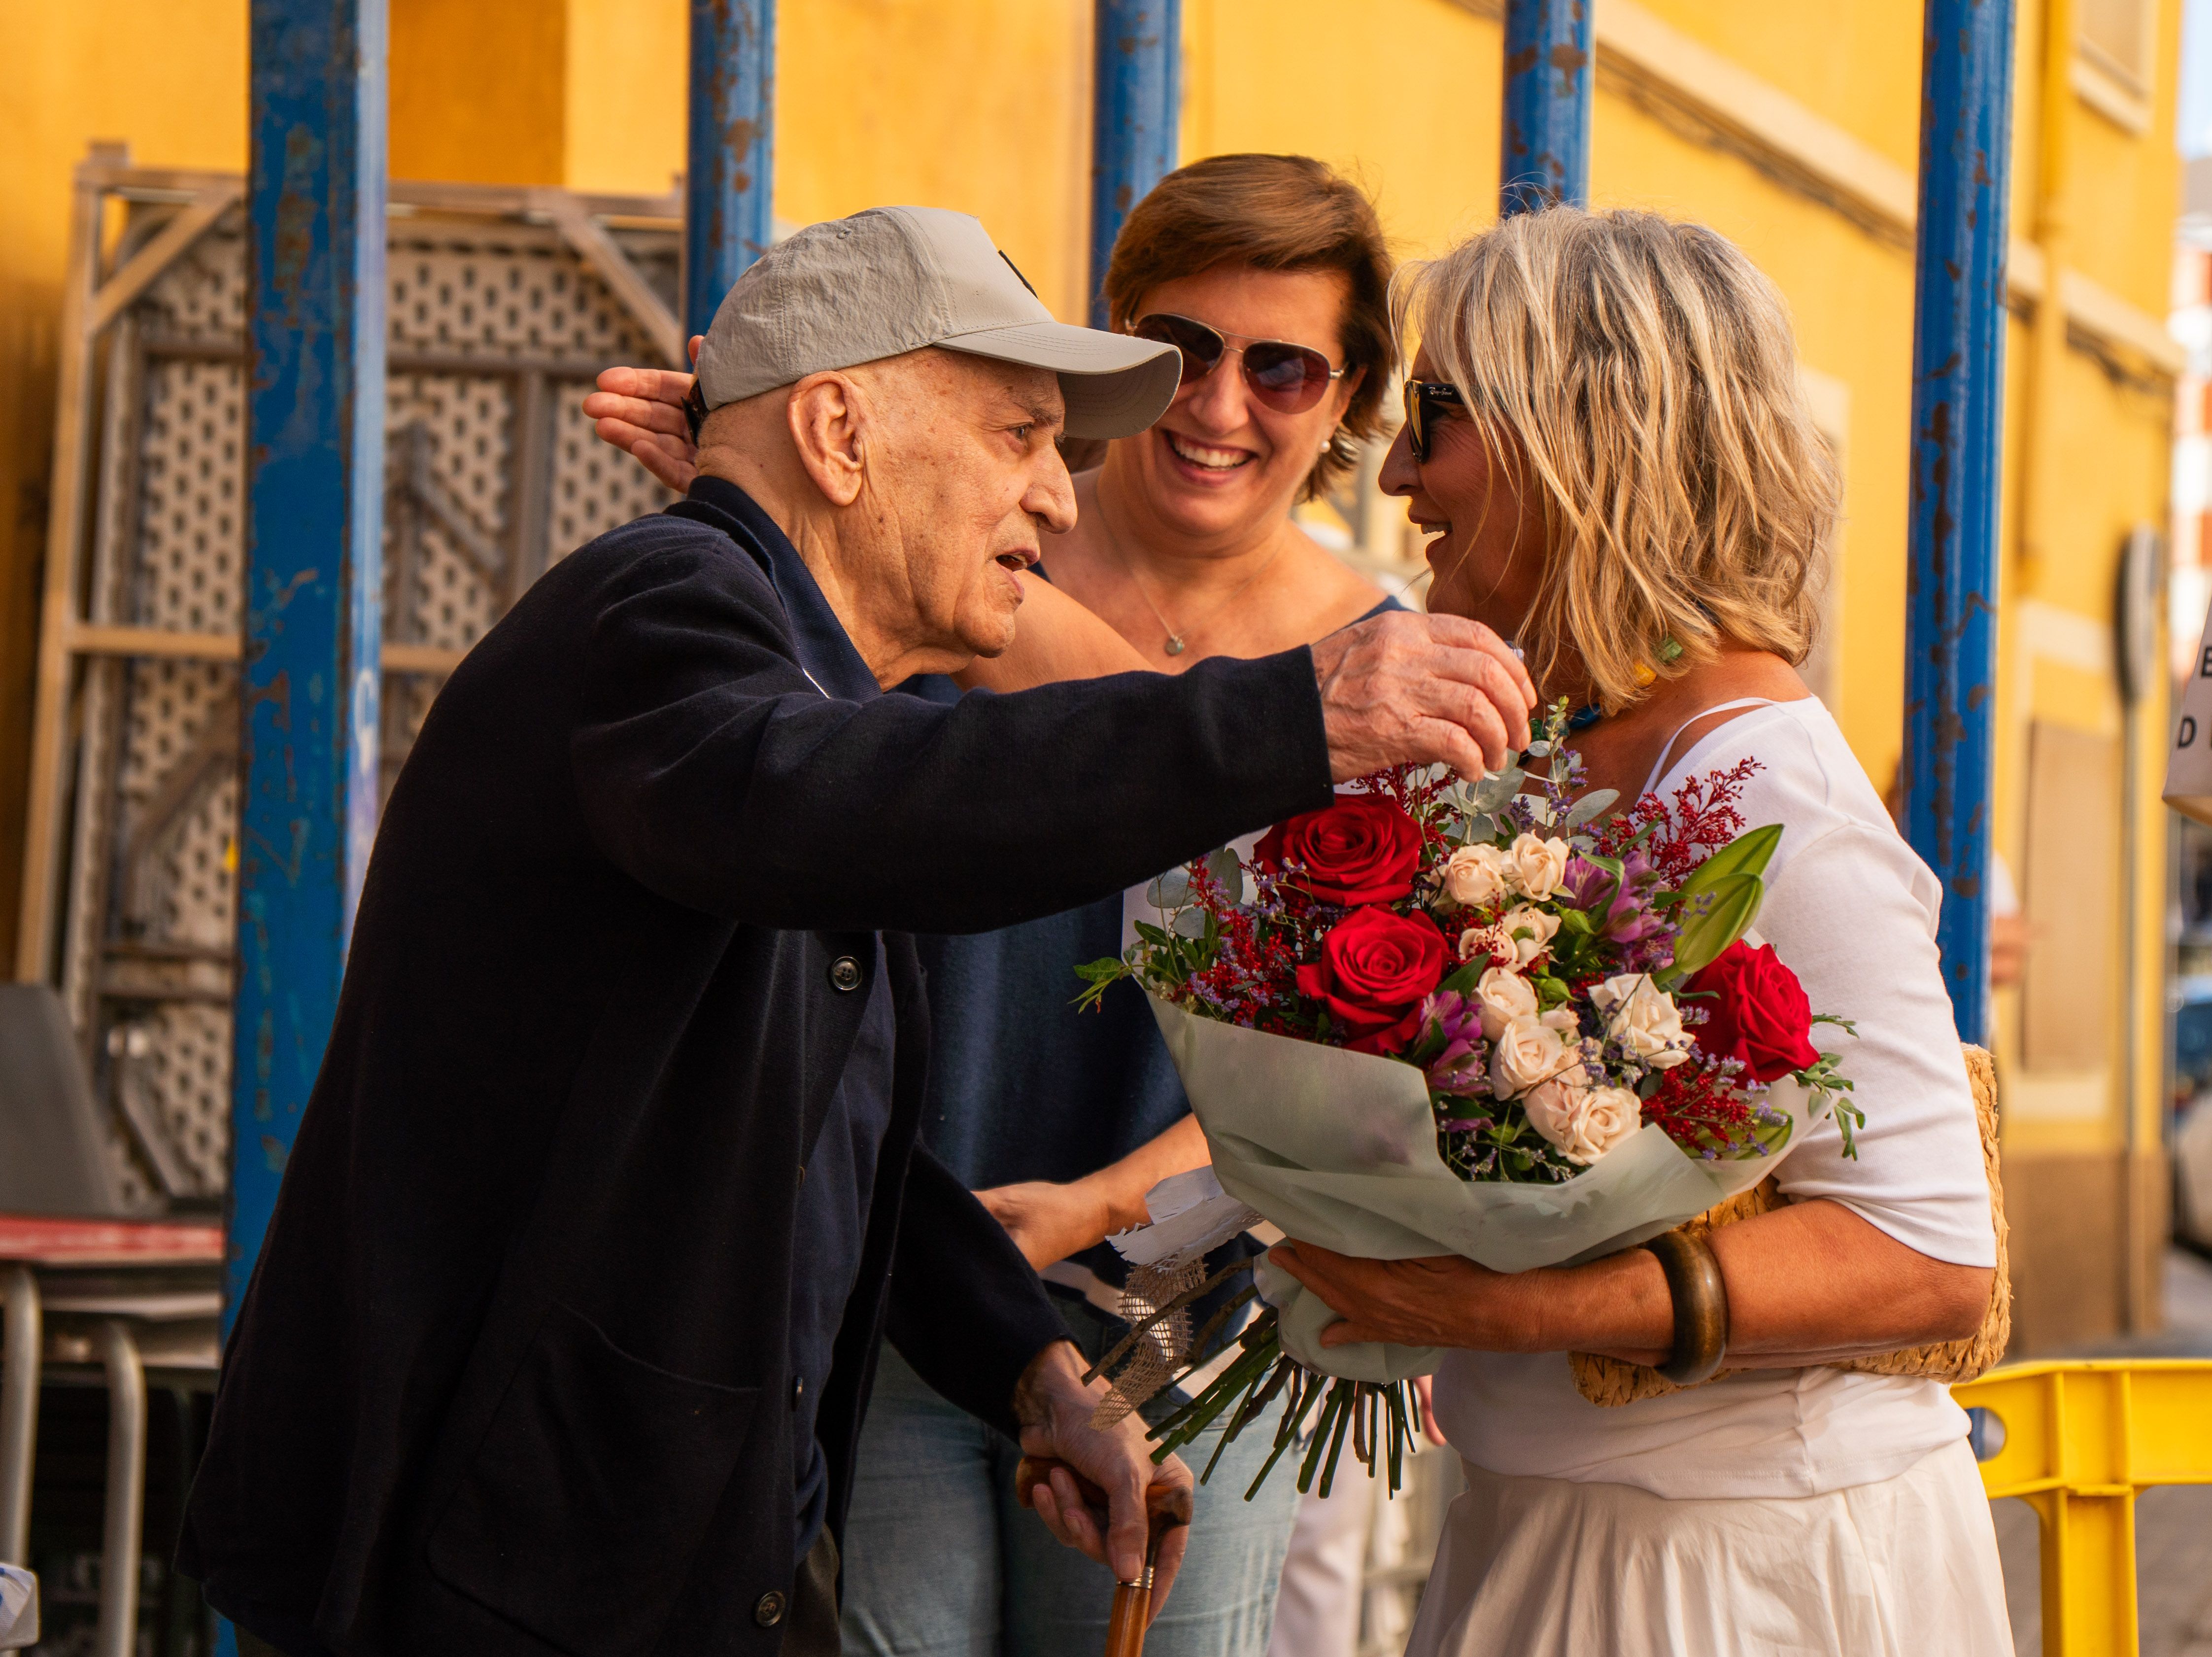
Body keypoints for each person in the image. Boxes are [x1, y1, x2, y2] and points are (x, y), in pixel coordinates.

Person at [174, 204, 1535, 1657]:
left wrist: (1028, 1369)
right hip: (510, 1563)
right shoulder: (662, 608)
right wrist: (1289, 716)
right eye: (1019, 437)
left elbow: (835, 1134)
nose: (1058, 499)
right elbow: (823, 802)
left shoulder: (804, 684)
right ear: (837, 436)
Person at [586, 153, 1403, 1657]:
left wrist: (1107, 1202)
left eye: (1282, 367)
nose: (1220, 405)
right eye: (1183, 348)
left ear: (1350, 398)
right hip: (911, 1267)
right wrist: (771, 477)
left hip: (1193, 1309)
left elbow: (1362, 1048)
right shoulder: (954, 550)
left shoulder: (1376, 668)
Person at [1269, 206, 2012, 1655]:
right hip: (1559, 1516)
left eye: (1433, 415)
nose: (1400, 473)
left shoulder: (1769, 789)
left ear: (1579, 440)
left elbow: (1933, 1252)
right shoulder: (1570, 750)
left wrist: (1518, 1311)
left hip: (1734, 1565)